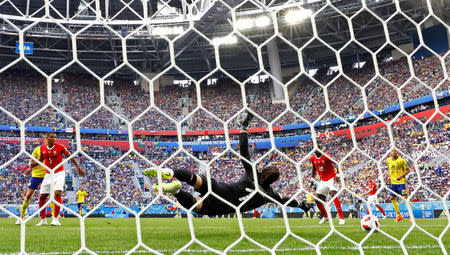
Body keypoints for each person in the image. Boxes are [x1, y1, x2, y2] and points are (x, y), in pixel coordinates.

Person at [144, 112, 311, 216]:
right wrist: (304, 205)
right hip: (222, 207)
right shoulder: (270, 194)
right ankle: (177, 190)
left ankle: (169, 171)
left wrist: (244, 127)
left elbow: (244, 150)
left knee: (197, 180)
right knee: (196, 206)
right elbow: (288, 201)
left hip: (220, 189)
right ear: (273, 182)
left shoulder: (253, 172)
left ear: (265, 171)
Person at [31, 133, 85, 226]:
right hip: (48, 174)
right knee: (42, 196)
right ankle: (43, 220)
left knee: (57, 193)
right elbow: (41, 159)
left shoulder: (60, 147)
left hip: (59, 173)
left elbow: (70, 157)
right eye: (51, 137)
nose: (54, 139)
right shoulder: (42, 148)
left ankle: (55, 218)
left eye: (55, 137)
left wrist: (78, 167)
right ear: (47, 138)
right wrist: (33, 165)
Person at [309, 145, 345, 225]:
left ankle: (341, 218)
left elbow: (338, 163)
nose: (317, 150)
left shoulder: (327, 156)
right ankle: (325, 216)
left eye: (319, 148)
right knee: (317, 199)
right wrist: (312, 179)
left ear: (321, 149)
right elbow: (314, 168)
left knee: (333, 195)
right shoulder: (312, 158)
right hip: (323, 180)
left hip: (332, 178)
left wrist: (338, 176)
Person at [15, 142, 47, 224]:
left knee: (49, 196)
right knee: (28, 195)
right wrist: (30, 168)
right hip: (36, 174)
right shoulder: (37, 150)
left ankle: (52, 218)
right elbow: (31, 162)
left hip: (47, 174)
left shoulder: (52, 150)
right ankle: (22, 216)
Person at [387, 149, 410, 222]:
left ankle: (411, 216)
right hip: (393, 183)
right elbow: (389, 169)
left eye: (395, 151)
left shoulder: (402, 160)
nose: (393, 152)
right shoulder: (388, 160)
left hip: (401, 182)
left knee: (405, 198)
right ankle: (399, 215)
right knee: (392, 198)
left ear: (397, 152)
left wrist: (400, 176)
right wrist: (389, 176)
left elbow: (407, 170)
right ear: (390, 152)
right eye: (392, 151)